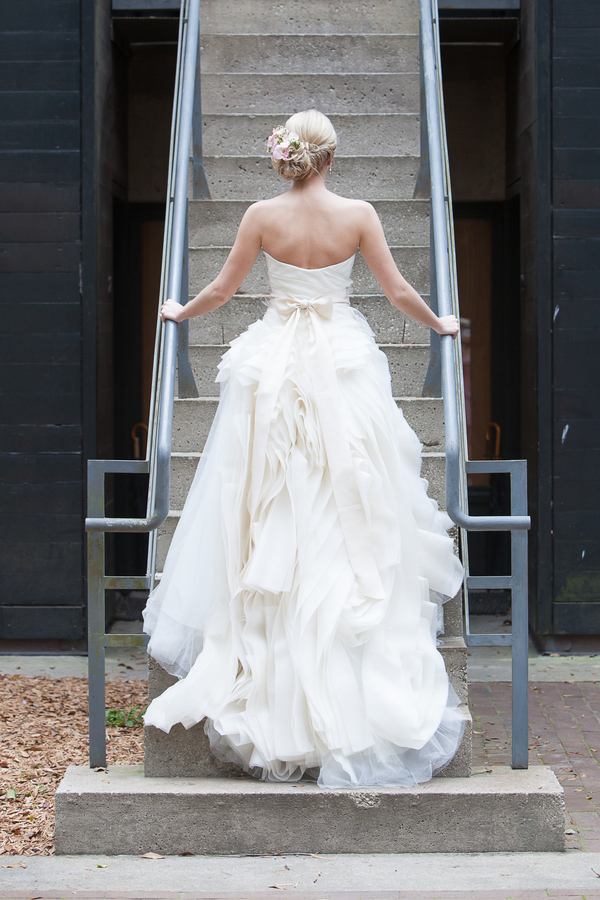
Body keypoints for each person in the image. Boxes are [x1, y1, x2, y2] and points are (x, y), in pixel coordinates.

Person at [143, 109, 465, 788]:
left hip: (275, 359)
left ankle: (270, 631)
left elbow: (225, 289)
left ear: (286, 157)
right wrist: (439, 323)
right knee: (351, 477)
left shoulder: (262, 215)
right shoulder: (359, 214)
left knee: (268, 485)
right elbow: (397, 289)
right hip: (342, 353)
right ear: (331, 157)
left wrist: (180, 312)